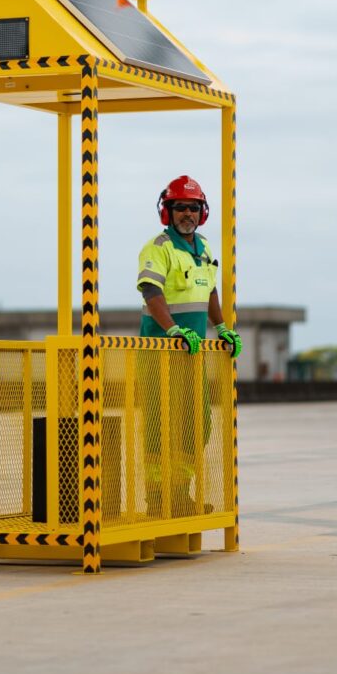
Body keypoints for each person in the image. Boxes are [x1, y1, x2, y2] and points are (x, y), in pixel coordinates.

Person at [136, 175, 242, 517]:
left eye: (194, 208)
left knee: (195, 425)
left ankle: (181, 495)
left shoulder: (205, 248)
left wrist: (222, 327)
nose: (188, 214)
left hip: (191, 354)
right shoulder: (159, 247)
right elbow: (151, 293)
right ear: (167, 212)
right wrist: (172, 331)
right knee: (159, 427)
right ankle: (157, 499)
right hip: (160, 354)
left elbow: (210, 290)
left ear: (203, 212)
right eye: (180, 207)